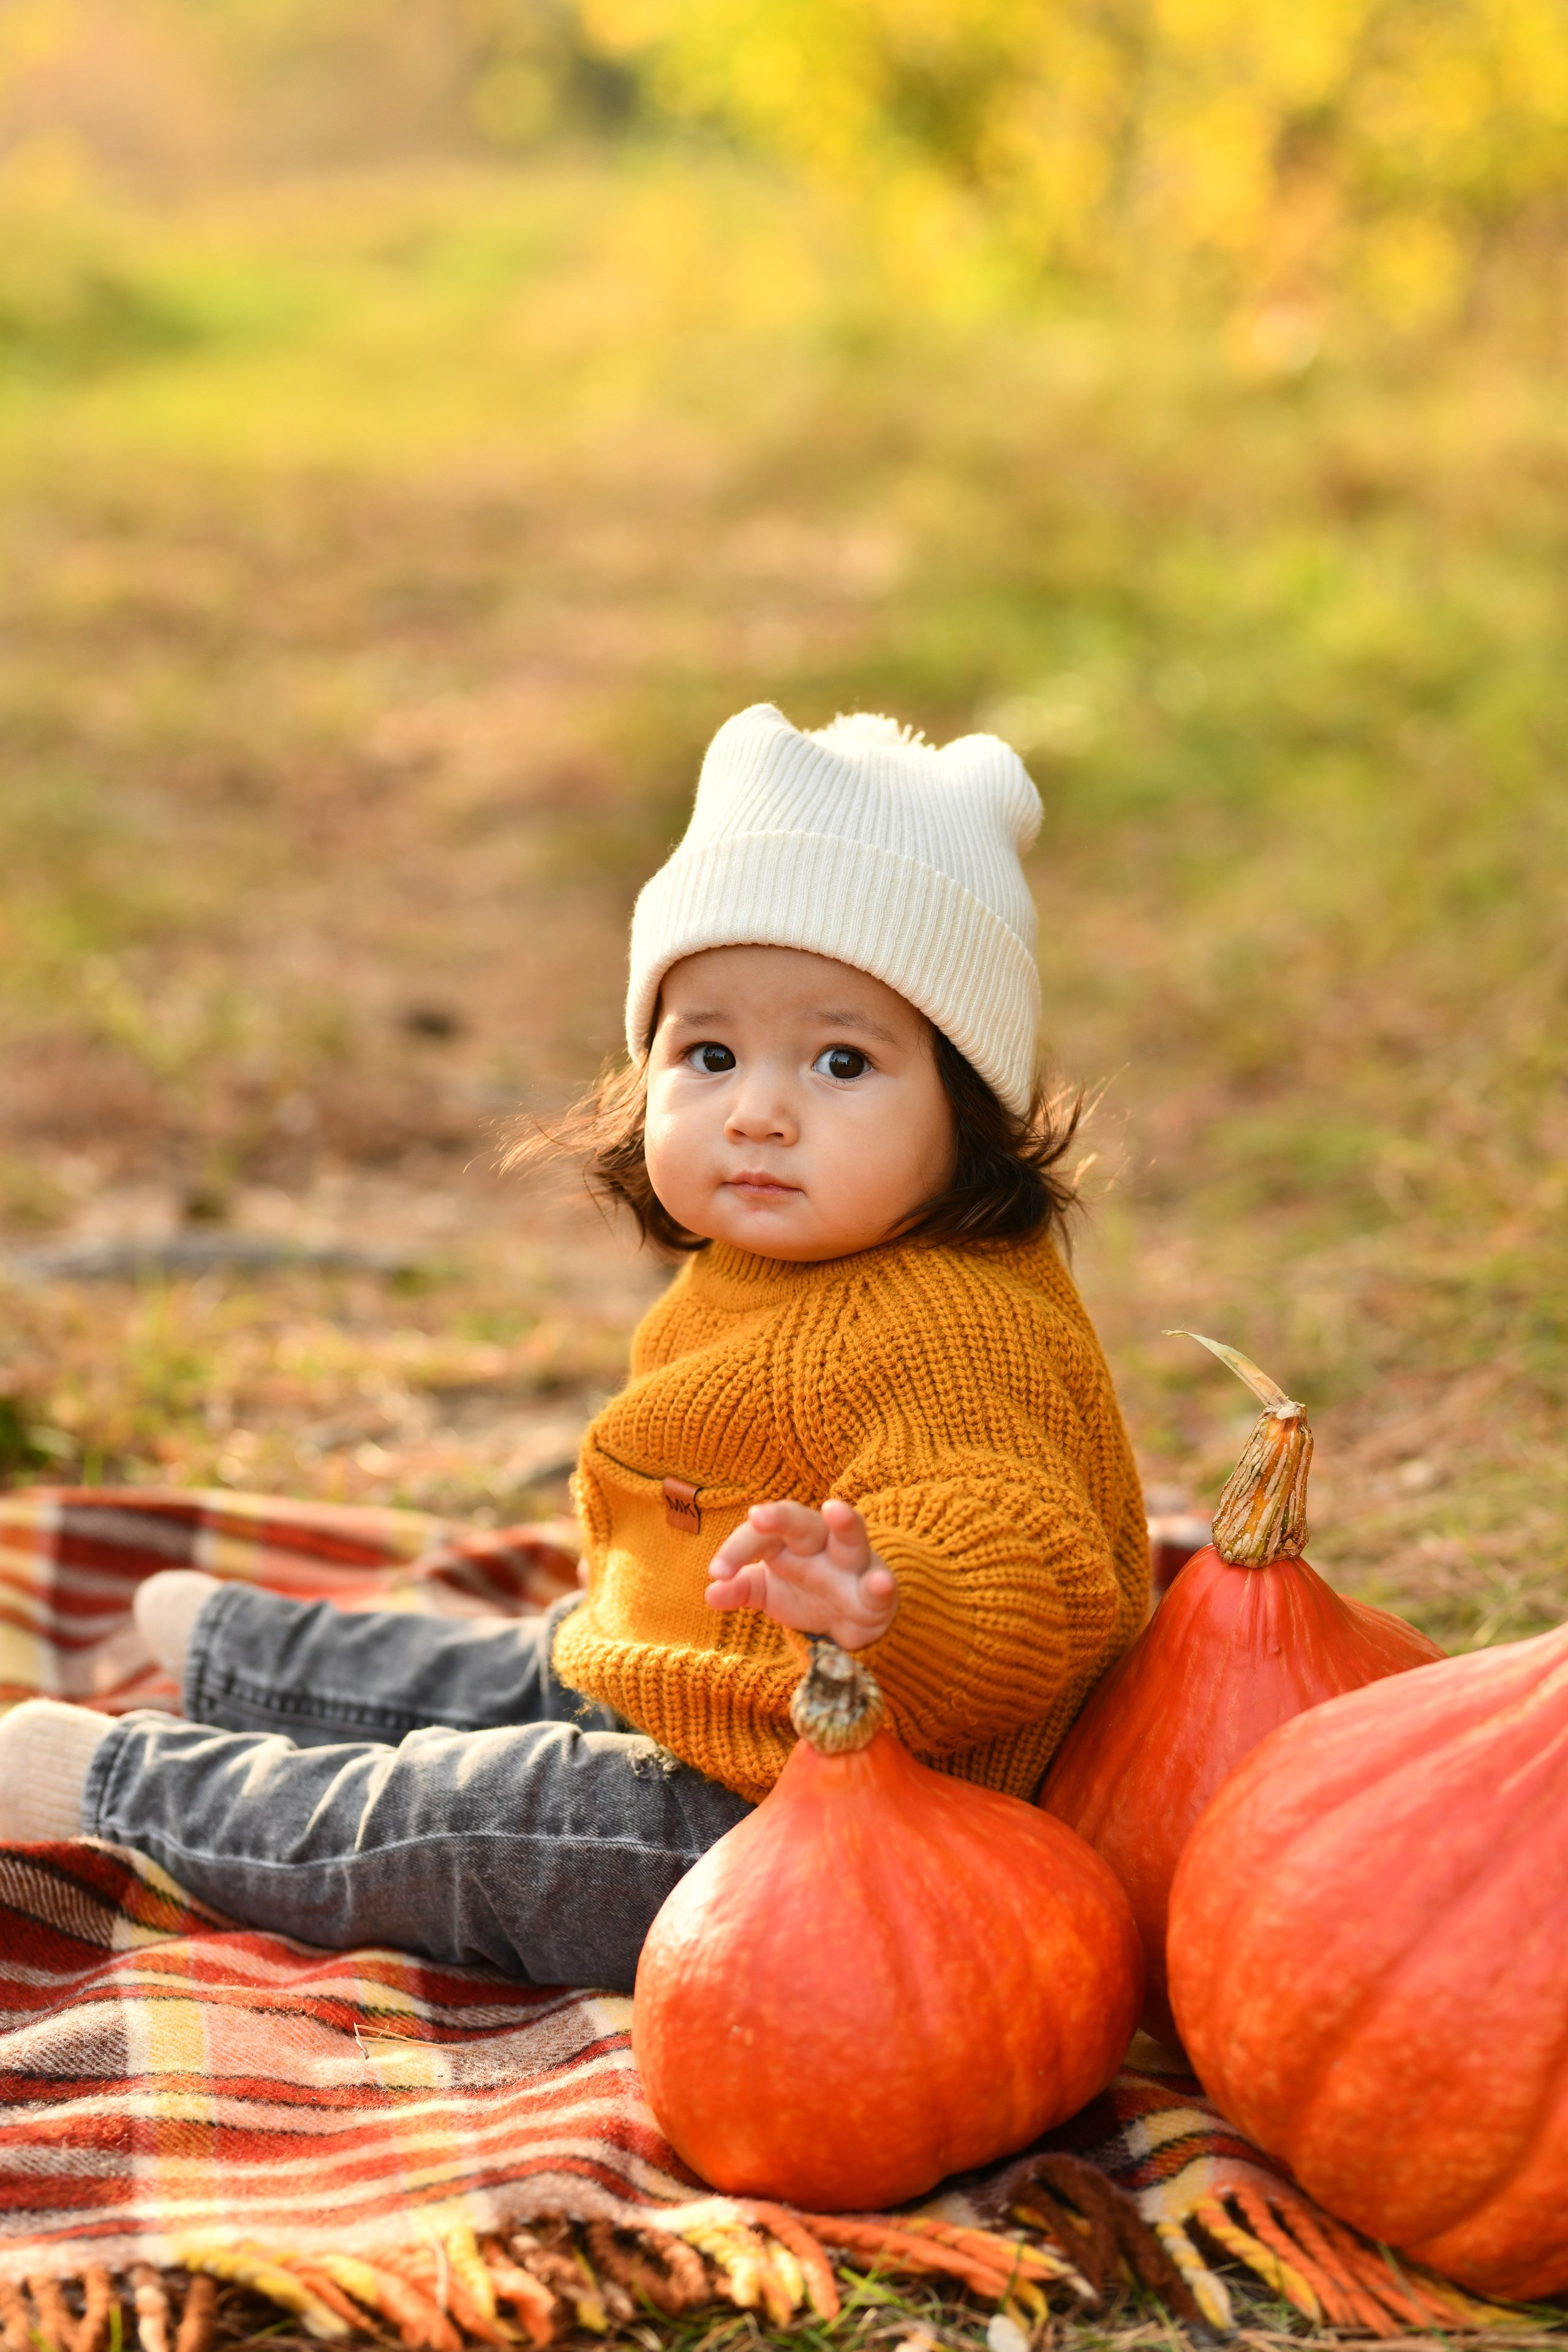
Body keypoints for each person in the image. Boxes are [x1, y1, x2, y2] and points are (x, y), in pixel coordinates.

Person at [0, 706, 1148, 1989]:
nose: (758, 1112)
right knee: (552, 1652)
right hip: (734, 1696)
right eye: (707, 1052)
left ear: (967, 1112)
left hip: (837, 1829)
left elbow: (1023, 1554)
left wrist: (889, 1607)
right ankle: (252, 1664)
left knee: (478, 1817)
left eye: (839, 1061)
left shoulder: (954, 1321)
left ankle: (133, 1787)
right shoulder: (792, 1257)